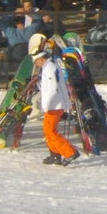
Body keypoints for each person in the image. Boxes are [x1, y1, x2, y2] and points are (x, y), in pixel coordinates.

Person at [32, 33, 80, 166]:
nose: (36, 64)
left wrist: (46, 105)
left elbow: (52, 89)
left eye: (36, 61)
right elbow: (47, 86)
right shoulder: (49, 68)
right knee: (47, 131)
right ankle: (55, 154)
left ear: (41, 59)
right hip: (53, 105)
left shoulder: (50, 68)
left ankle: (70, 152)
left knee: (51, 131)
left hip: (54, 105)